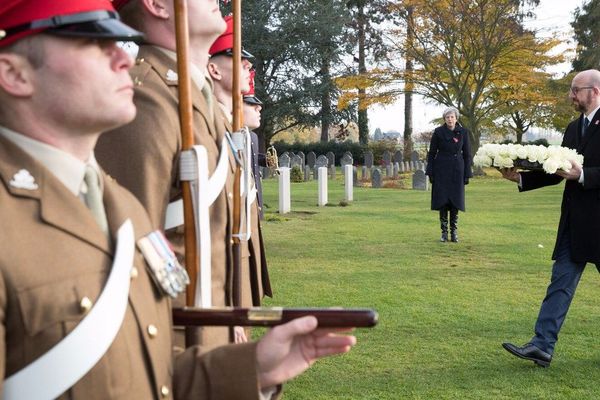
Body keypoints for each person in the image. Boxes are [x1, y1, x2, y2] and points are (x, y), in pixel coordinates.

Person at [0, 1, 356, 398]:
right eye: (92, 42)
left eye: (118, 39)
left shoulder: (117, 204)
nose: (124, 56)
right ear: (14, 73)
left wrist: (251, 368)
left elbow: (140, 372)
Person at [95, 0, 259, 347]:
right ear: (157, 5)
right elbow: (129, 253)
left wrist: (229, 315)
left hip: (211, 332)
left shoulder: (197, 97)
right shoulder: (144, 98)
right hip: (173, 343)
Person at [501, 69, 600, 368]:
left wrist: (583, 175)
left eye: (575, 90)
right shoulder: (572, 128)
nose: (571, 95)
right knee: (560, 283)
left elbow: (577, 173)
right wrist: (520, 178)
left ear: (594, 91)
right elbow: (556, 171)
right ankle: (542, 346)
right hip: (574, 223)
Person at [208, 16, 271, 310]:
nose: (250, 69)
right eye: (240, 63)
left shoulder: (231, 125)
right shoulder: (211, 122)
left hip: (239, 251)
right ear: (213, 69)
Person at [425, 106, 472, 242]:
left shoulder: (463, 132)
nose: (450, 119)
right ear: (444, 119)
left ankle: (454, 232)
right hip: (441, 170)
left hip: (457, 170)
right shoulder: (438, 132)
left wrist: (467, 173)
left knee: (455, 201)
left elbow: (468, 155)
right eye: (447, 117)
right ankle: (444, 232)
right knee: (443, 201)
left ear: (456, 118)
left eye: (452, 117)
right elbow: (432, 153)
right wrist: (431, 171)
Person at [243, 70, 267, 219]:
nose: (259, 108)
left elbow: (251, 158)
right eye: (251, 104)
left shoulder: (253, 136)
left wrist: (265, 160)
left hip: (254, 200)